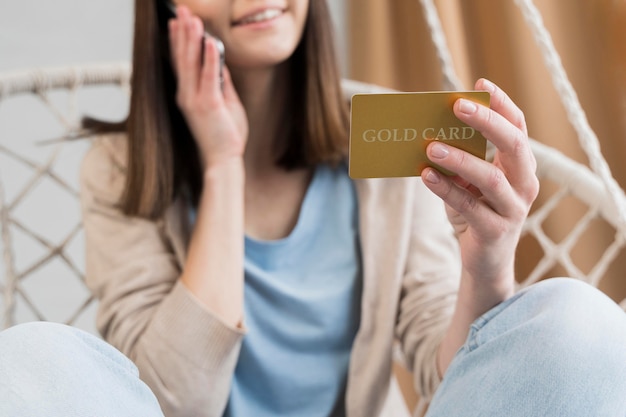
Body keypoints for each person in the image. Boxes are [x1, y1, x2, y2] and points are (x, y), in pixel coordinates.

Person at [1, 0, 626, 416]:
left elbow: (455, 387)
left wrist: (487, 263)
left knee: (576, 318)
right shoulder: (120, 167)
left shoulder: (386, 154)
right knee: (34, 356)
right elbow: (172, 402)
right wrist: (223, 165)